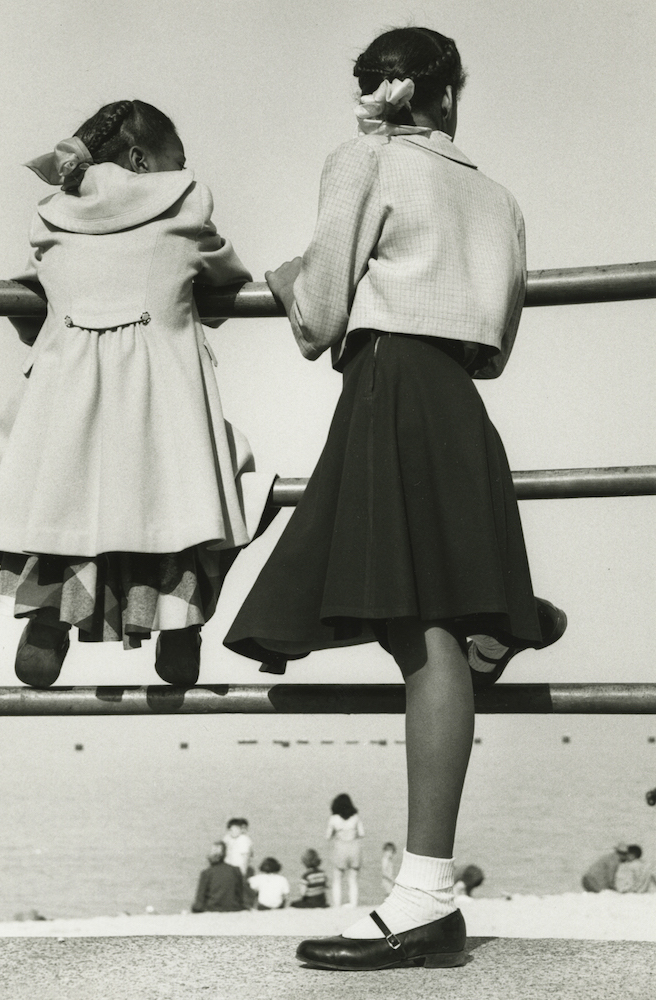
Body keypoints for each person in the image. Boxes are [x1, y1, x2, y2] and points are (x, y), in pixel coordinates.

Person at [224, 26, 567, 972]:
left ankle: (423, 901)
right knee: (429, 621)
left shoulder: (363, 159)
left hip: (387, 389)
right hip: (458, 400)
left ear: (375, 93)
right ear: (447, 96)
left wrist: (289, 277)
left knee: (418, 632)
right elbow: (498, 334)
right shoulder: (496, 194)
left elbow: (320, 313)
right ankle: (507, 622)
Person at [0, 100, 274, 687]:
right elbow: (228, 284)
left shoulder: (50, 217)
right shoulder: (187, 205)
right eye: (177, 159)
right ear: (139, 158)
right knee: (196, 479)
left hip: (65, 400)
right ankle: (180, 622)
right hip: (162, 399)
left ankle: (47, 616)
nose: (184, 168)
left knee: (56, 488)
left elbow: (29, 304)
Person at [326, 794, 365, 907]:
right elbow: (362, 833)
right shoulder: (355, 817)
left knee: (337, 878)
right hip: (354, 848)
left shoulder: (334, 819)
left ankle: (337, 904)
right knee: (353, 879)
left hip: (340, 848)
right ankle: (353, 904)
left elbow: (328, 836)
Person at [191, 842, 245, 913]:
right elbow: (241, 895)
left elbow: (199, 901)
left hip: (213, 908)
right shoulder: (236, 870)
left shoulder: (206, 873)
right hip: (234, 908)